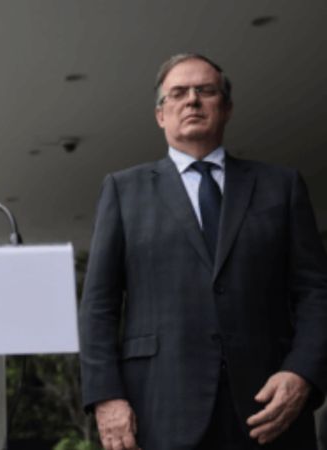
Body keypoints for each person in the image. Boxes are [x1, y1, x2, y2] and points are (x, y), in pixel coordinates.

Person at [79, 53, 327, 450]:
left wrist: (302, 373)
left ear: (226, 108)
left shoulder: (281, 187)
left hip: (270, 407)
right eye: (178, 93)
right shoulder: (123, 191)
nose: (192, 100)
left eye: (205, 91)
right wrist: (106, 397)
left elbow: (316, 293)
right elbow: (98, 306)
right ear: (160, 115)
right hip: (159, 409)